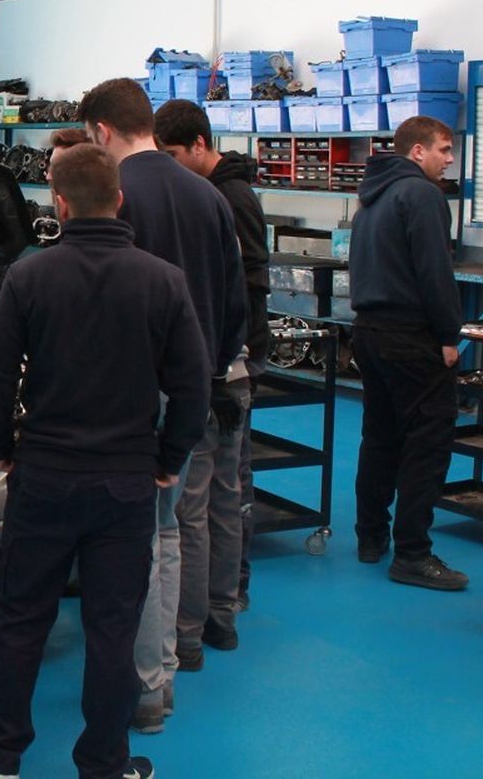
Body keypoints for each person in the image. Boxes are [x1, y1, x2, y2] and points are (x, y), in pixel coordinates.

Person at [0, 142, 208, 779]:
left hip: (42, 476)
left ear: (60, 203)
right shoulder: (163, 281)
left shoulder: (29, 276)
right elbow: (193, 385)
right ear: (119, 199)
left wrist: (3, 449)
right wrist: (168, 457)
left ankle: (1, 749)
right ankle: (104, 761)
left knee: (22, 619)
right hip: (125, 483)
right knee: (111, 628)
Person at [76, 79, 246, 732]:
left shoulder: (120, 199)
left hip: (131, 398)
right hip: (197, 387)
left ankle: (144, 689)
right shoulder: (209, 196)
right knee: (172, 528)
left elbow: (100, 302)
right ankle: (174, 661)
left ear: (102, 133)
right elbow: (235, 306)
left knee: (132, 540)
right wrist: (205, 373)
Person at [153, 98, 269, 654]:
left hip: (223, 369)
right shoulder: (211, 195)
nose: (169, 165)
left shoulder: (228, 197)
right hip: (227, 366)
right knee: (224, 497)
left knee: (199, 507)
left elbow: (245, 288)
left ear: (200, 144)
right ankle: (221, 615)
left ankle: (193, 632)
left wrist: (222, 366)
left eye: (173, 154)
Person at [348, 115, 466, 590]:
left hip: (369, 332)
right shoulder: (421, 195)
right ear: (417, 152)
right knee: (428, 440)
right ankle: (413, 554)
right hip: (410, 337)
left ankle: (370, 537)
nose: (450, 158)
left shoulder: (370, 198)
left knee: (380, 436)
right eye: (443, 149)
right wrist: (448, 336)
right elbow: (435, 272)